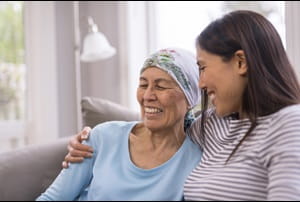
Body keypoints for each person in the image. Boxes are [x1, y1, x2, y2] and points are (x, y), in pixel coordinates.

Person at [64, 10, 300, 200]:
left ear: (240, 62)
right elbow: (162, 122)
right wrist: (92, 139)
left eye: (204, 68)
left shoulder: (289, 124)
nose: (201, 83)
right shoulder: (210, 127)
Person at [36, 48, 203, 201]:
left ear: (190, 98)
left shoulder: (197, 160)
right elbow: (52, 198)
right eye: (143, 85)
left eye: (160, 87)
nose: (147, 96)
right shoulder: (102, 136)